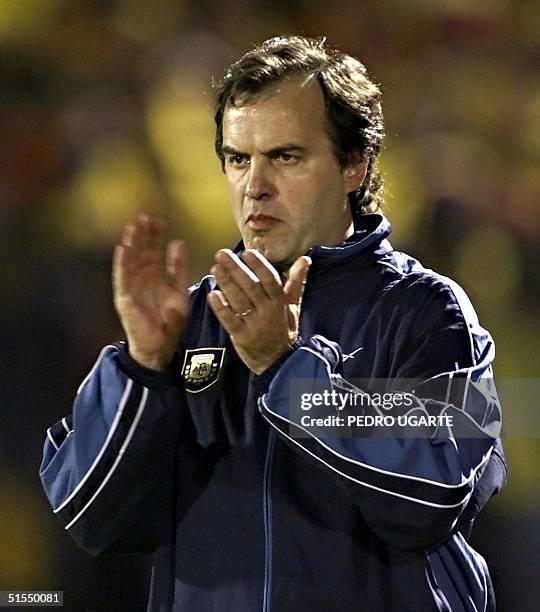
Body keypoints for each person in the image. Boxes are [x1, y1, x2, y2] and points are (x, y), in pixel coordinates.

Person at [40, 36, 507, 611]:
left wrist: (287, 373)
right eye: (238, 159)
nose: (254, 185)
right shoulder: (188, 322)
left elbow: (433, 492)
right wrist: (142, 368)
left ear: (353, 165)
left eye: (286, 156)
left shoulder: (424, 312)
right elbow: (88, 517)